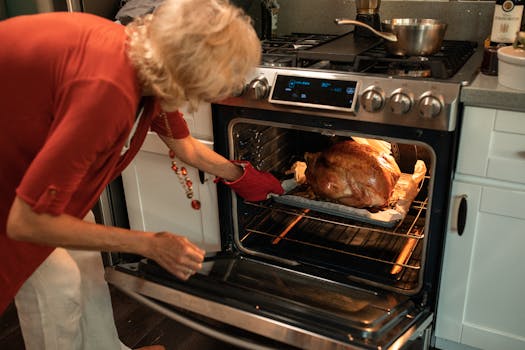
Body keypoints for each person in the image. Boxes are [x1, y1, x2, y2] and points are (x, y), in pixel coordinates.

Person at [0, 0, 284, 349]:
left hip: (31, 164)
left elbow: (185, 147)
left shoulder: (145, 59)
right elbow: (27, 223)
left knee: (86, 265)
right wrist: (148, 244)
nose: (194, 101)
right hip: (13, 189)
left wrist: (240, 175)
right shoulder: (108, 88)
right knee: (58, 283)